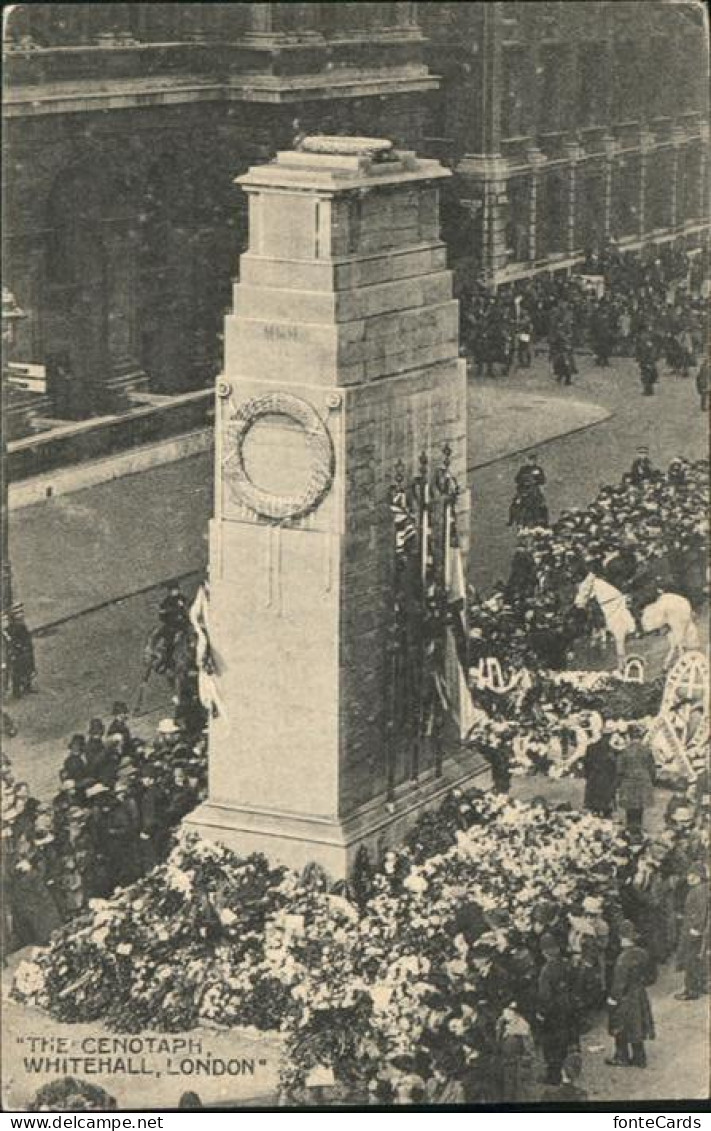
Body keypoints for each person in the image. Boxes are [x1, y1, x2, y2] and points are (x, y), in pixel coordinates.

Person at [606, 919, 654, 1068]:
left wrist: (613, 999)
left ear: (621, 937)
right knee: (637, 1025)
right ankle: (640, 1057)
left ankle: (622, 1057)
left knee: (620, 1025)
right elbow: (652, 977)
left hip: (625, 997)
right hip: (639, 994)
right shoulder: (643, 953)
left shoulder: (622, 959)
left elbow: (619, 982)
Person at [536, 933, 575, 1086]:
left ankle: (553, 1076)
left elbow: (544, 996)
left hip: (553, 1012)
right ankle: (566, 1070)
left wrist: (541, 1013)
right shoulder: (566, 963)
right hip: (567, 1007)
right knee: (564, 1040)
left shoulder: (546, 970)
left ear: (544, 952)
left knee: (551, 1044)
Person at [675, 864, 709, 1001]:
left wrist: (696, 928)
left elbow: (702, 912)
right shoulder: (703, 888)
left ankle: (691, 990)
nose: (688, 878)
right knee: (698, 959)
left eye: (691, 875)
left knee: (691, 960)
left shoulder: (698, 891)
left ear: (699, 877)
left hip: (693, 931)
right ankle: (700, 985)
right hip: (697, 929)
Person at [615, 726, 656, 833]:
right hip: (643, 781)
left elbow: (619, 769)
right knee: (640, 807)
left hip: (629, 781)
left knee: (630, 807)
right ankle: (638, 828)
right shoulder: (647, 751)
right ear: (641, 737)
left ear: (630, 736)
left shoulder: (625, 751)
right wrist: (651, 780)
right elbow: (652, 769)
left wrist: (619, 782)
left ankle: (630, 828)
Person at [582, 730, 617, 818]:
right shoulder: (611, 750)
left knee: (594, 806)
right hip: (604, 780)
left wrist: (588, 776)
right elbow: (614, 767)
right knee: (605, 806)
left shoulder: (591, 747)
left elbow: (586, 764)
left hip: (594, 778)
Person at [5, 606, 36, 698]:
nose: (21, 616)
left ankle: (27, 686)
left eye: (21, 613)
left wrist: (29, 646)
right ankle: (16, 691)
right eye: (17, 614)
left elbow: (27, 637)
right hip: (18, 651)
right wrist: (18, 646)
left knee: (28, 667)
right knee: (17, 671)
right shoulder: (11, 628)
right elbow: (11, 640)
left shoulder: (22, 625)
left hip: (26, 650)